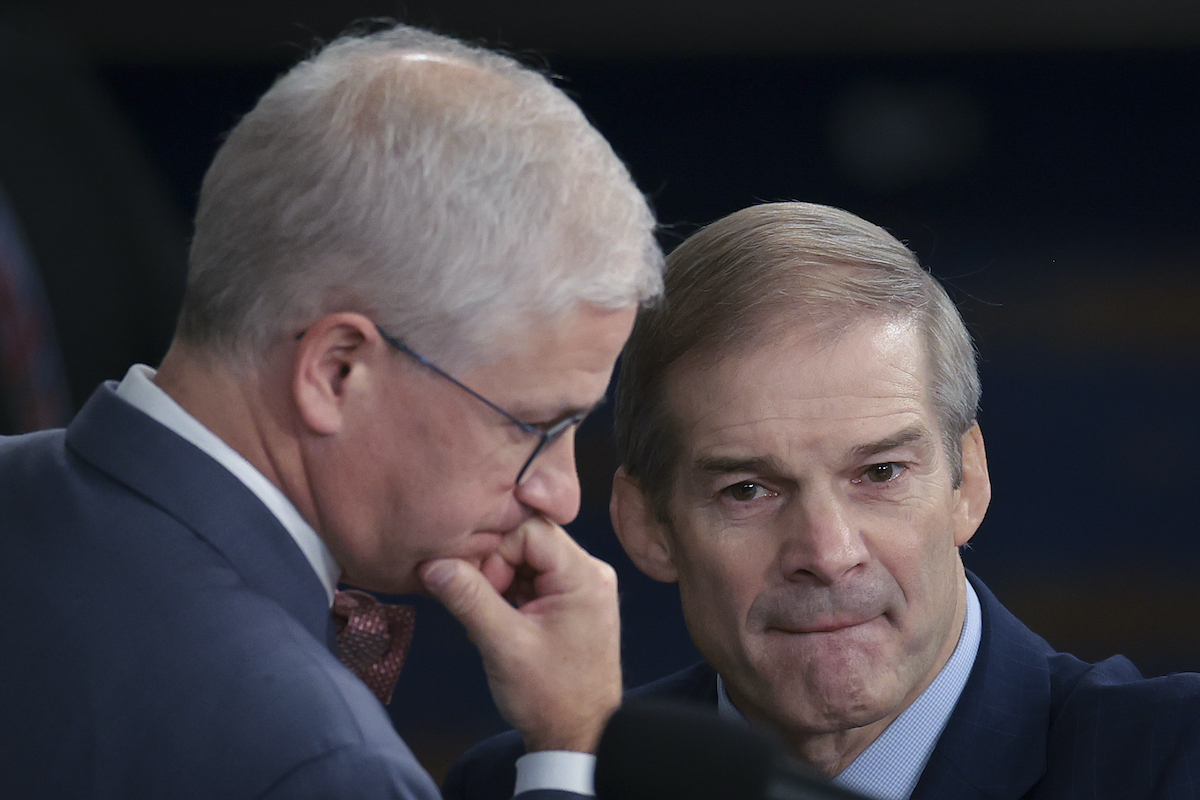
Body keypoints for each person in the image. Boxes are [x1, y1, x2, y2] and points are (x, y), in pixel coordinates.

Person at [0, 22, 663, 800]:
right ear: (337, 371)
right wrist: (571, 751)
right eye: (532, 427)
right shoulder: (325, 764)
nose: (561, 493)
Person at [445, 202, 1200, 800]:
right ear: (648, 526)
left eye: (880, 474)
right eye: (748, 489)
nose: (828, 554)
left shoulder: (1172, 761)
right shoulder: (539, 781)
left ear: (967, 481)